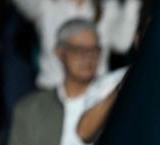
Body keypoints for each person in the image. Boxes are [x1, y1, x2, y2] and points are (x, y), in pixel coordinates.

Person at [7, 18, 105, 145]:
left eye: (94, 50)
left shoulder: (109, 105)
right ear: (60, 53)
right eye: (78, 50)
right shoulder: (30, 110)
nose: (88, 58)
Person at [11, 0, 141, 89]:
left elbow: (121, 44)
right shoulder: (46, 5)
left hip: (95, 94)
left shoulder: (106, 7)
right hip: (53, 91)